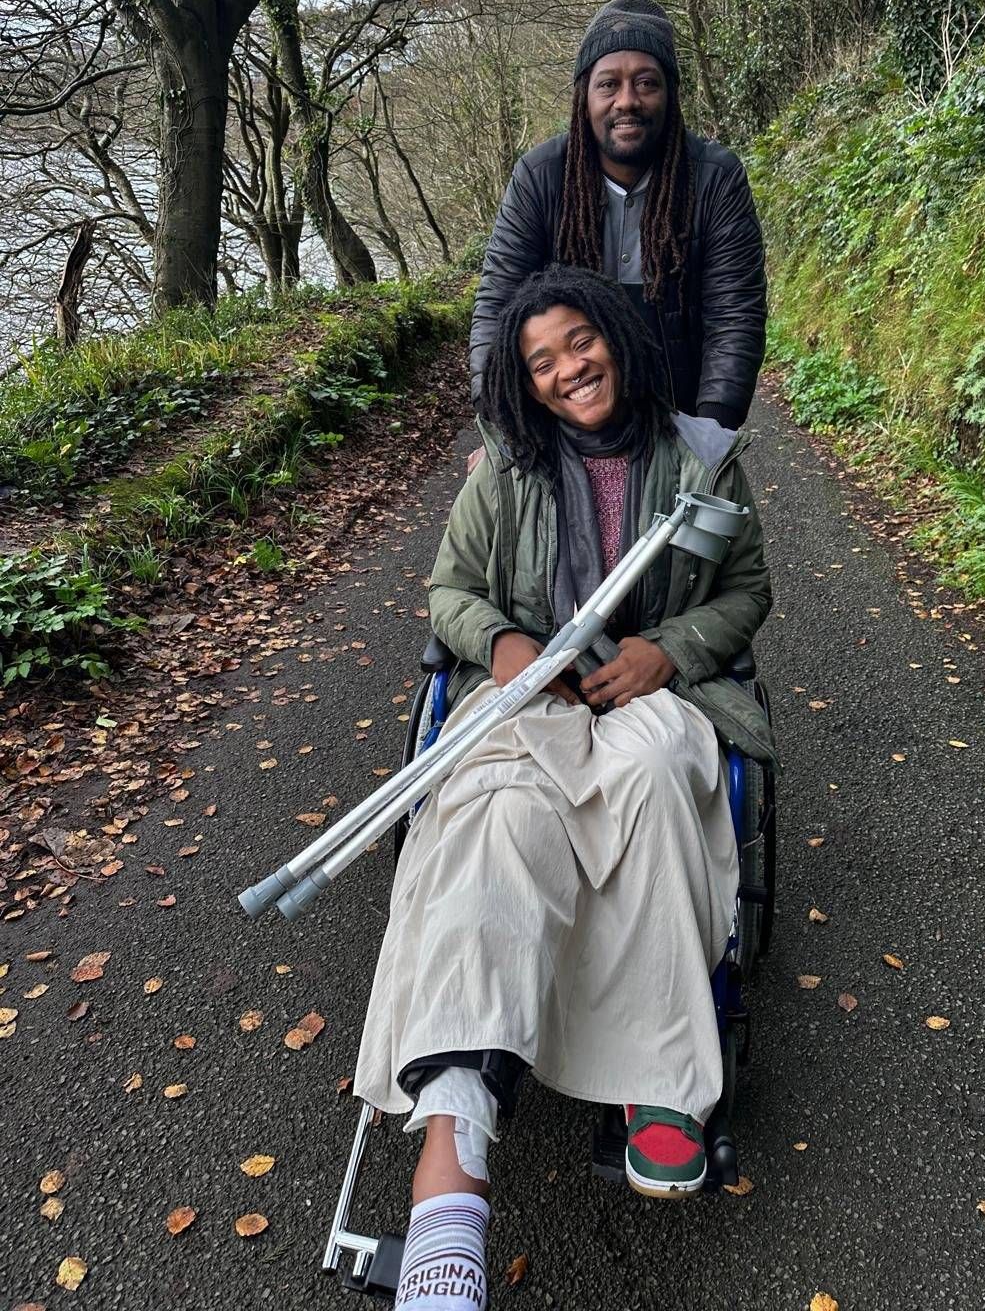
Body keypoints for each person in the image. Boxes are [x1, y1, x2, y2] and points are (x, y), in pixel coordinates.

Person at [354, 267, 774, 1310]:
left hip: (644, 696)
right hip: (531, 697)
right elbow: (451, 588)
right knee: (489, 812)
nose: (565, 370)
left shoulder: (701, 461)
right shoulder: (505, 467)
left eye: (578, 343)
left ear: (619, 336)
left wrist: (667, 653)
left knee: (653, 790)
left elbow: (746, 588)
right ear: (522, 379)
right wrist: (498, 643)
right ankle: (453, 1151)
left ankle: (658, 1084)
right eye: (539, 361)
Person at [469, 0, 768, 432]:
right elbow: (498, 303)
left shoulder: (715, 178)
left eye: (646, 83)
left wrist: (711, 433)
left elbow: (734, 313)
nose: (627, 100)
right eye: (608, 84)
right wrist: (499, 428)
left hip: (679, 419)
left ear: (670, 95)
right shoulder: (540, 177)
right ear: (583, 98)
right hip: (567, 425)